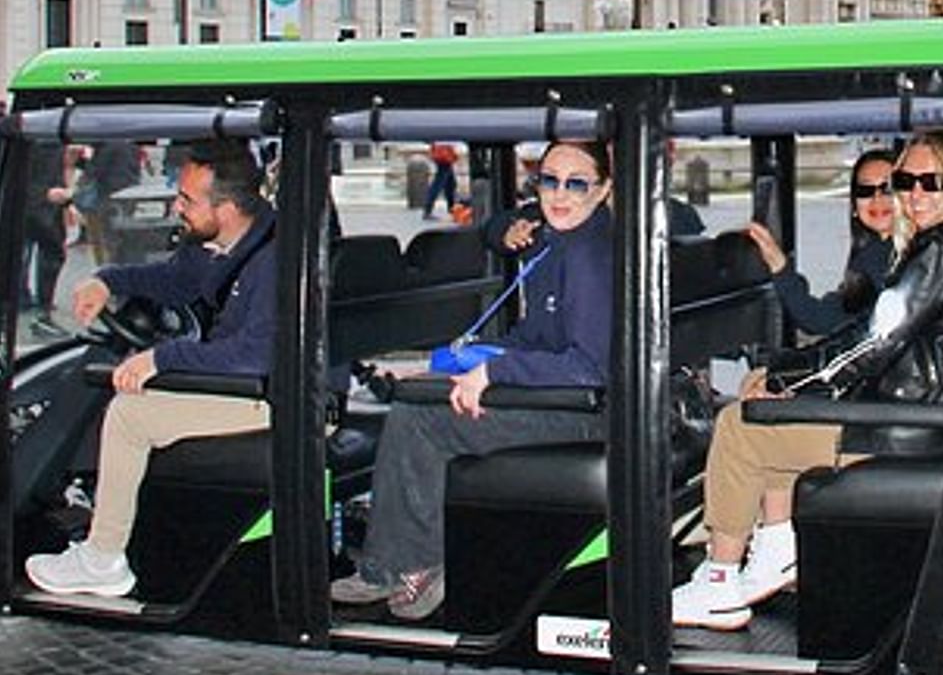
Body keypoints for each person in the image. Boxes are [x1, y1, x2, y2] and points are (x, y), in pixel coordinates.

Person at [673, 131, 943, 632]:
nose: (914, 193)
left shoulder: (941, 247)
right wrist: (791, 375)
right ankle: (775, 549)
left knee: (738, 426)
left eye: (930, 181)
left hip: (903, 424)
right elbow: (858, 332)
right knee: (772, 422)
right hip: (908, 412)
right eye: (906, 181)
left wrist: (788, 376)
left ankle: (720, 577)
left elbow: (876, 340)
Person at [331, 139, 614, 622]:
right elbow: (538, 334)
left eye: (576, 183)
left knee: (419, 419)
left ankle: (409, 563)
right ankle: (395, 559)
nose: (559, 194)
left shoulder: (587, 257)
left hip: (585, 414)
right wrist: (471, 367)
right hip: (565, 399)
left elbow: (590, 366)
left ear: (603, 189)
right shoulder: (559, 240)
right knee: (423, 395)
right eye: (548, 181)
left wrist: (495, 371)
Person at [25, 139, 275, 598]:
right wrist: (107, 280)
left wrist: (162, 358)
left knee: (129, 415)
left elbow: (251, 355)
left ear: (229, 207)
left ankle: (103, 558)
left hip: (277, 396)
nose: (178, 207)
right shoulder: (220, 245)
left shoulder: (271, 259)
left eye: (188, 200)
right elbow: (173, 280)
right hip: (255, 382)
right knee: (135, 393)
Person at [740, 147, 897, 338]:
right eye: (865, 190)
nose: (877, 198)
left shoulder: (915, 256)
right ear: (855, 206)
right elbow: (822, 320)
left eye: (888, 189)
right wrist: (778, 263)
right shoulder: (871, 256)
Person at [21, 139, 72, 337]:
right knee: (30, 256)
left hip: (45, 208)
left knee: (44, 255)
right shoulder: (37, 140)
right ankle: (37, 310)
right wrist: (45, 194)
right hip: (33, 208)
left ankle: (37, 307)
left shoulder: (49, 139)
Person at [421, 142, 460, 221]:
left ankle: (452, 209)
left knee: (451, 184)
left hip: (443, 155)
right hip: (444, 156)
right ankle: (428, 210)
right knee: (438, 185)